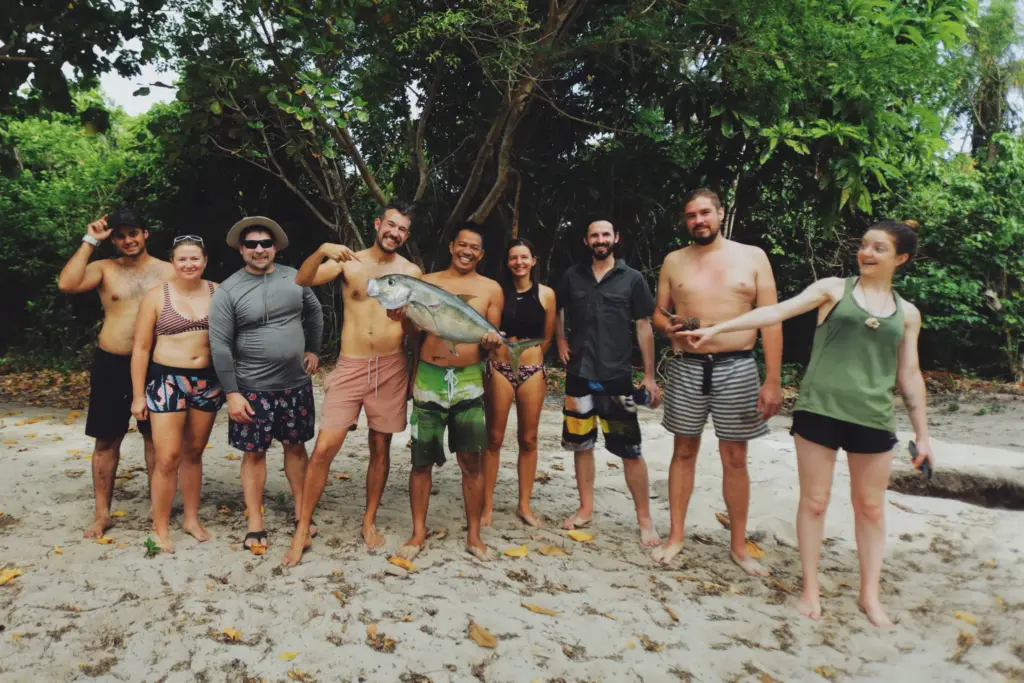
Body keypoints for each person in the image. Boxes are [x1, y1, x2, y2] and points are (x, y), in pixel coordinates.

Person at [678, 220, 934, 628]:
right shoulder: (833, 289)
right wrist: (719, 328)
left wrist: (922, 434)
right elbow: (776, 311)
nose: (866, 253)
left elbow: (909, 374)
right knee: (814, 502)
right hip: (820, 410)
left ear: (900, 258)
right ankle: (810, 589)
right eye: (864, 245)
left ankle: (870, 594)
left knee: (870, 508)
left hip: (873, 417)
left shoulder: (907, 314)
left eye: (879, 249)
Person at [650, 188, 783, 575]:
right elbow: (659, 314)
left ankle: (739, 545)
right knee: (683, 451)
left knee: (735, 457)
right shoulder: (674, 260)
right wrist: (670, 328)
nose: (698, 221)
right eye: (691, 215)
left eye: (705, 213)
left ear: (720, 214)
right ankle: (676, 536)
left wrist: (773, 380)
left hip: (738, 366)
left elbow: (771, 318)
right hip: (688, 366)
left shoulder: (753, 256)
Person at [282, 202, 422, 566]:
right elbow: (303, 279)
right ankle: (302, 529)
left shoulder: (411, 271)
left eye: (402, 229)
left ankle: (369, 520)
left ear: (407, 235)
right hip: (350, 364)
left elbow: (416, 330)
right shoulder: (349, 260)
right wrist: (320, 251)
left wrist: (404, 320)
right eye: (390, 225)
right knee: (326, 445)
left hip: (392, 366)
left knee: (381, 447)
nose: (395, 233)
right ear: (378, 224)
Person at [57, 209, 174, 538]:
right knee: (106, 439)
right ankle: (102, 513)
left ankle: (157, 507)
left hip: (156, 364)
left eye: (133, 232)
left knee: (155, 437)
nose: (128, 240)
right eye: (120, 235)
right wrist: (91, 239)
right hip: (112, 362)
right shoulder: (104, 269)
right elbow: (67, 283)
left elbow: (204, 293)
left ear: (145, 233)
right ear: (113, 239)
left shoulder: (168, 271)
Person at [209, 217, 324, 551]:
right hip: (252, 388)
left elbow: (314, 313)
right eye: (252, 244)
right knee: (254, 454)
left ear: (275, 247)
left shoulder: (296, 277)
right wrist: (231, 393)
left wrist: (314, 349)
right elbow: (219, 345)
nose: (259, 249)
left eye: (265, 243)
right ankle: (255, 523)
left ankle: (303, 514)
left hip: (295, 384)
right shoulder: (228, 290)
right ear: (241, 250)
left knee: (296, 448)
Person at [396, 223, 504, 563]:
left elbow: (494, 344)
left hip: (470, 379)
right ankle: (417, 532)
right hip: (429, 377)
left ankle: (474, 536)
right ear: (452, 246)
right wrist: (400, 318)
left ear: (481, 254)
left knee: (471, 460)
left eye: (474, 247)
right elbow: (414, 334)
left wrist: (492, 344)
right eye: (462, 244)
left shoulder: (491, 289)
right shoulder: (427, 283)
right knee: (421, 460)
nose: (467, 251)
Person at [554, 218, 661, 547]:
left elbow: (644, 326)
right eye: (594, 235)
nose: (600, 240)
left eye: (605, 235)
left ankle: (645, 520)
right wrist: (559, 341)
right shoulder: (573, 276)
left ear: (616, 238)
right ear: (586, 241)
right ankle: (585, 508)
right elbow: (556, 308)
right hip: (579, 375)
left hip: (616, 377)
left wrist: (648, 375)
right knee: (581, 445)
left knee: (630, 450)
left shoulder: (632, 279)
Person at [129, 236, 223, 552]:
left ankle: (191, 518)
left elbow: (232, 340)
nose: (188, 265)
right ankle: (161, 527)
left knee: (194, 452)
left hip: (207, 382)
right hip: (166, 381)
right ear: (173, 262)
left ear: (205, 260)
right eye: (182, 259)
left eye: (194, 258)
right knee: (167, 457)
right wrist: (138, 396)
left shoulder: (218, 292)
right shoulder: (157, 296)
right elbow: (141, 348)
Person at [482, 238, 556, 528]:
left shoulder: (547, 295)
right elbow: (491, 331)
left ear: (533, 260)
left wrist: (533, 358)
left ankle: (524, 505)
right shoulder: (499, 293)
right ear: (507, 262)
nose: (519, 263)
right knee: (494, 438)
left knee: (529, 439)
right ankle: (486, 505)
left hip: (532, 369)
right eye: (513, 258)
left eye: (524, 257)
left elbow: (547, 336)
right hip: (499, 367)